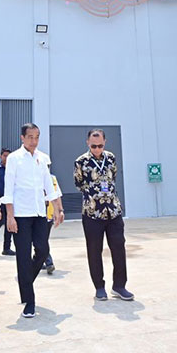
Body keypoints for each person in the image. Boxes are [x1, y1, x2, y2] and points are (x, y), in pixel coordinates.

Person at [3, 123, 63, 318]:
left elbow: (48, 183)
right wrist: (10, 216)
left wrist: (56, 208)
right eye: (30, 137)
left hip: (39, 212)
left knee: (43, 250)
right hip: (20, 214)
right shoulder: (14, 159)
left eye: (36, 137)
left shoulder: (42, 158)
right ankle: (30, 301)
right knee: (23, 255)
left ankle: (25, 281)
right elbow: (9, 188)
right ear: (22, 138)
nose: (34, 141)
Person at [74, 129, 133, 301]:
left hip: (113, 211)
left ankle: (119, 285)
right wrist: (95, 192)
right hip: (92, 212)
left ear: (105, 142)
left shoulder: (111, 158)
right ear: (87, 143)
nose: (97, 149)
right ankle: (99, 287)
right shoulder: (81, 162)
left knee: (119, 248)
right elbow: (78, 183)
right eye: (94, 146)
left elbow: (113, 177)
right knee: (94, 250)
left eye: (100, 145)